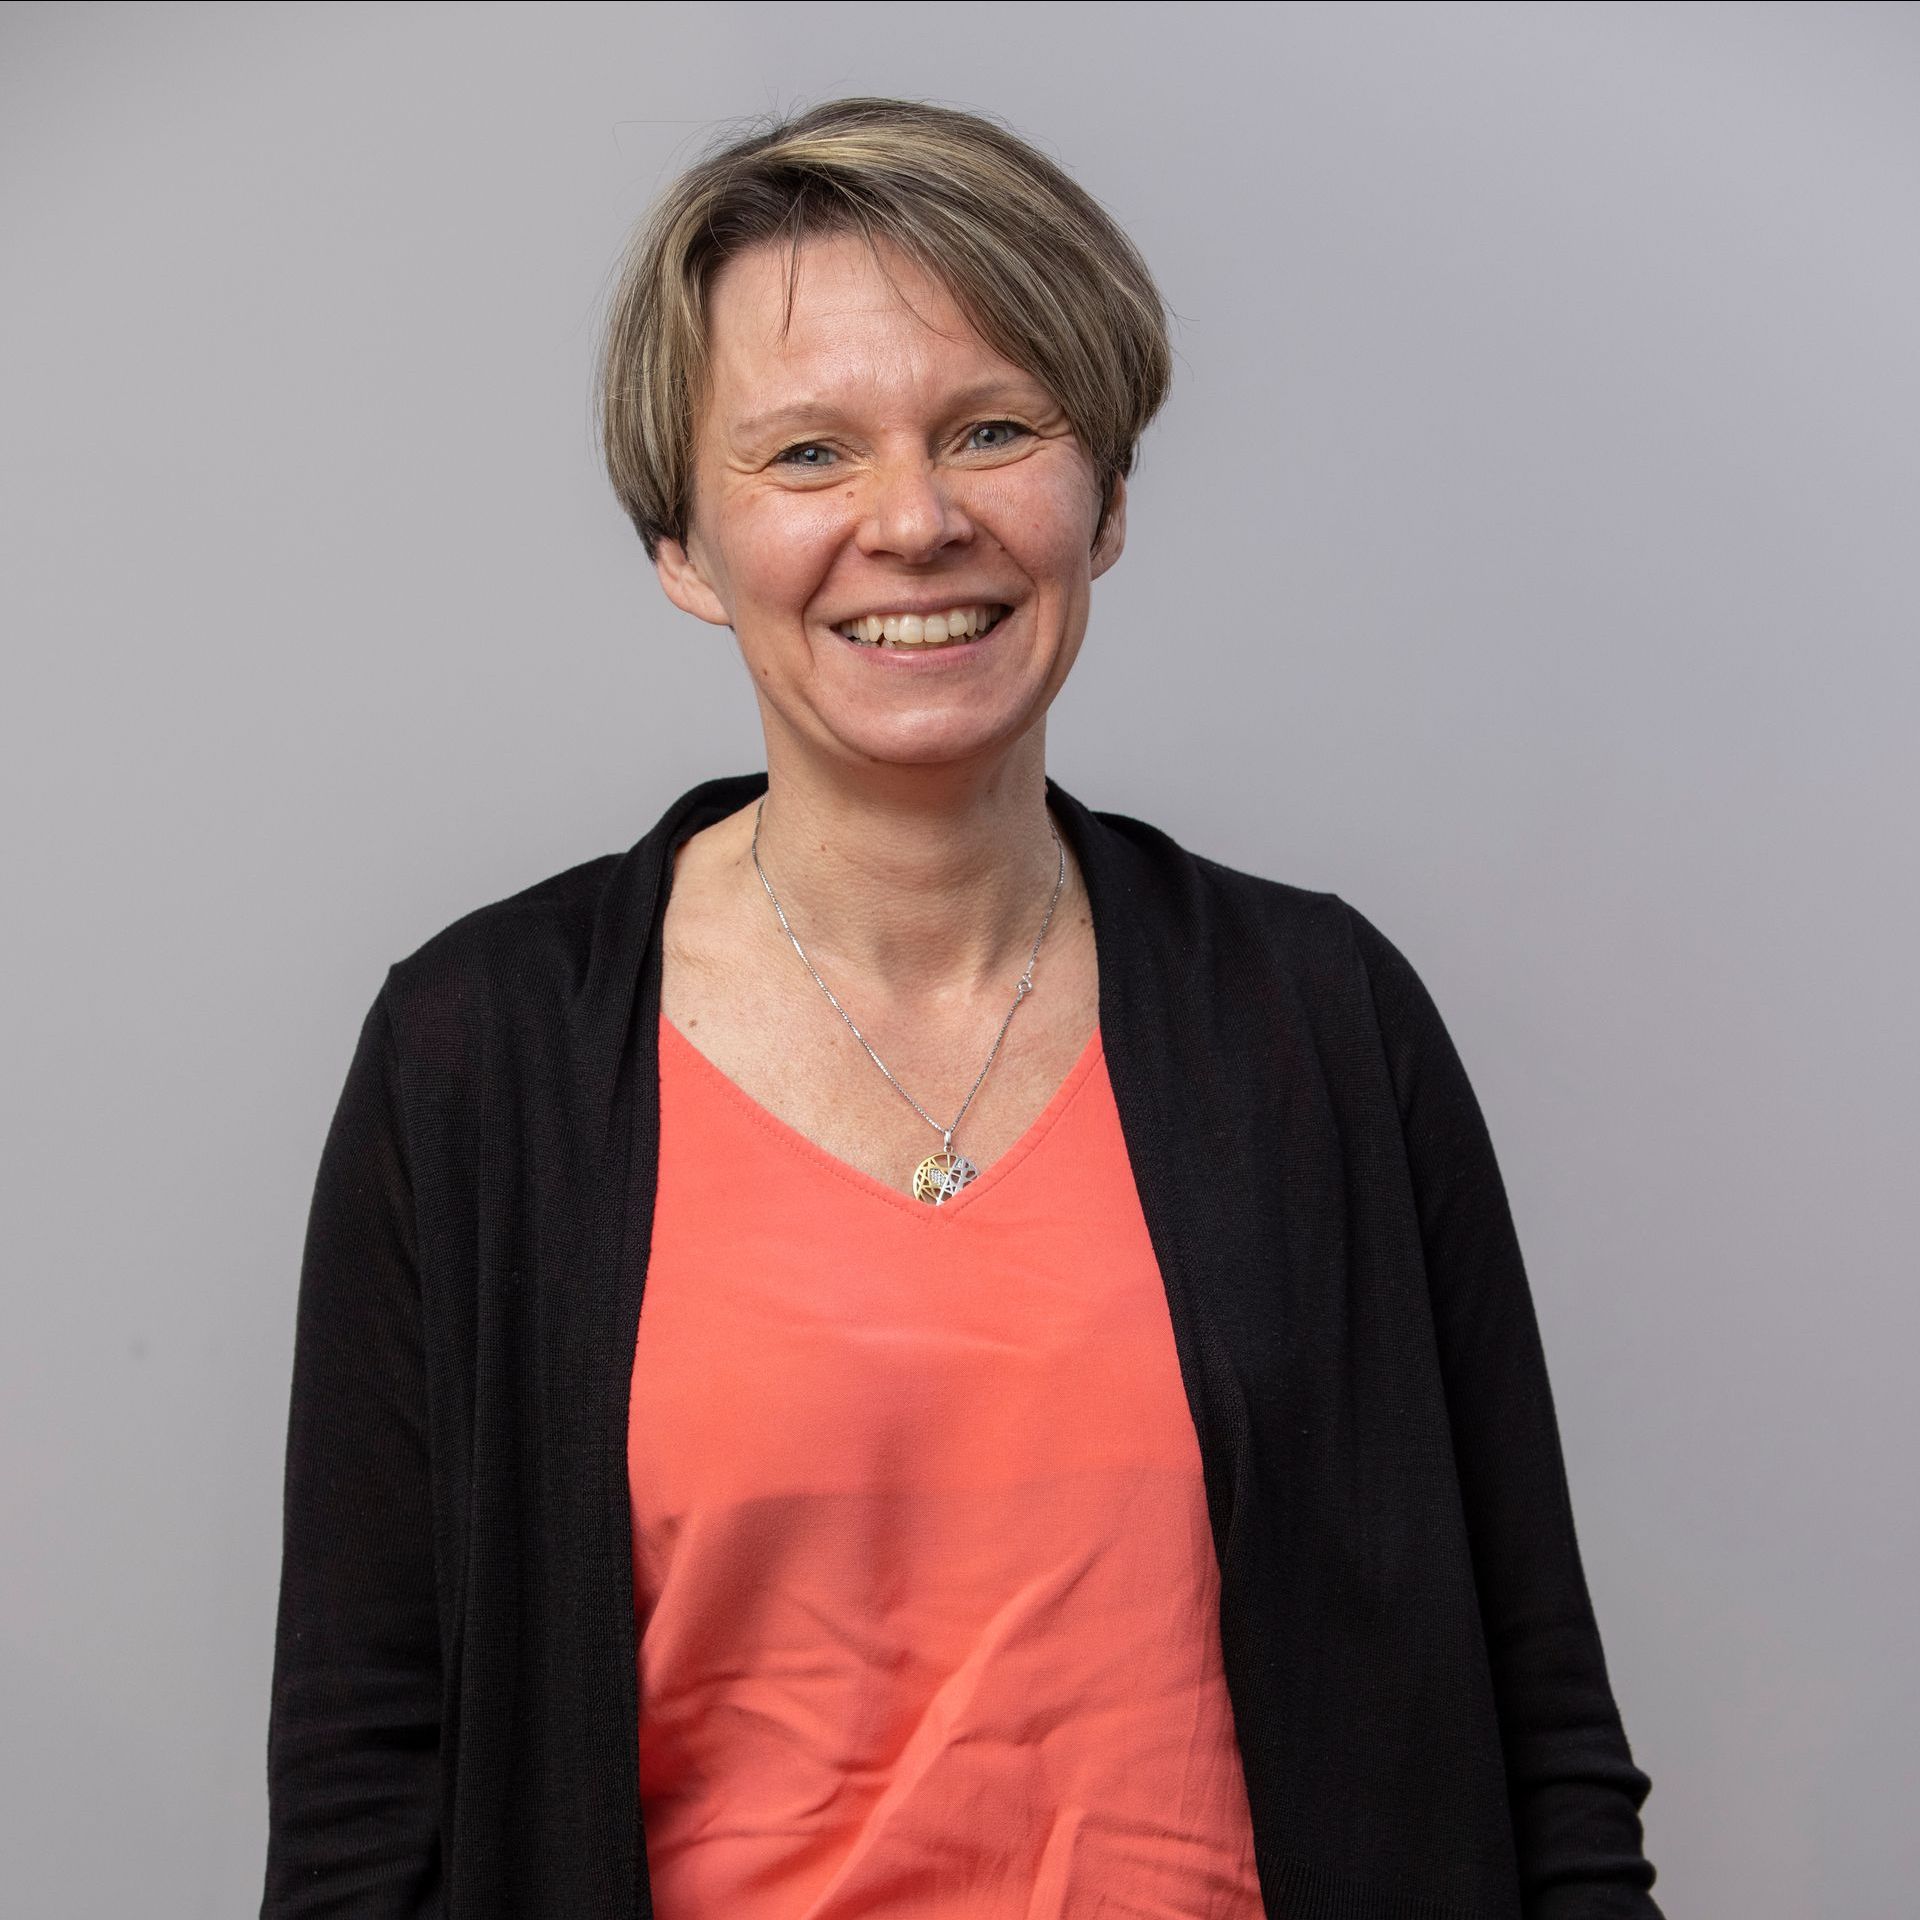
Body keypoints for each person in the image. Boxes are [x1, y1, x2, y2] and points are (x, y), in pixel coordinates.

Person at [261, 97, 1663, 1920]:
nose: (915, 522)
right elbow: (366, 1787)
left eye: (995, 430)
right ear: (682, 546)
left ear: (1108, 500)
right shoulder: (476, 1060)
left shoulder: (1324, 1024)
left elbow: (1545, 1736)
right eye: (808, 454)